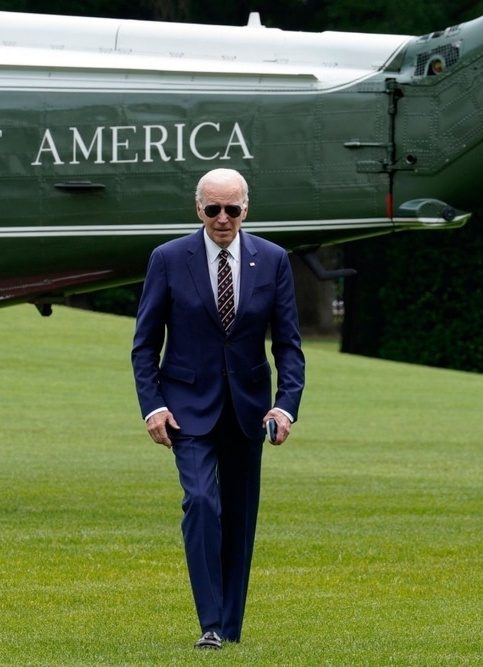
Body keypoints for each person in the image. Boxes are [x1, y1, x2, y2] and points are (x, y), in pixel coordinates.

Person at [131, 168, 305, 650]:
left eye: (232, 209)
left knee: (239, 519)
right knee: (203, 503)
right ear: (198, 209)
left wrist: (285, 407)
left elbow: (288, 346)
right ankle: (209, 623)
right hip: (186, 410)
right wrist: (153, 407)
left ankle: (230, 627)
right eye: (213, 209)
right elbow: (145, 345)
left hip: (249, 411)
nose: (222, 218)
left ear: (246, 209)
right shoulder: (167, 259)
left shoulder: (272, 260)